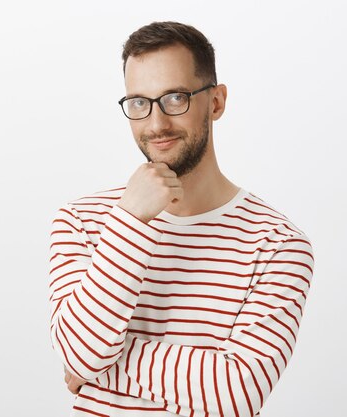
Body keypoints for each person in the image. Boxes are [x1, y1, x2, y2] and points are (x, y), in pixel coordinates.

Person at [48, 21, 314, 417]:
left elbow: (236, 395)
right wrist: (129, 221)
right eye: (138, 102)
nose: (156, 124)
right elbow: (79, 353)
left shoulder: (277, 244)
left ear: (217, 102)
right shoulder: (82, 221)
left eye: (175, 98)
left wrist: (104, 362)